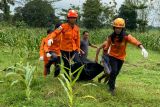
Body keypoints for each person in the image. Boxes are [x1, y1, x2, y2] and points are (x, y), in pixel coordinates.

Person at [95, 18, 148, 96]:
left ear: (122, 28)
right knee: (113, 71)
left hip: (121, 58)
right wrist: (103, 59)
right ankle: (111, 89)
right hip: (112, 57)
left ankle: (110, 83)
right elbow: (106, 47)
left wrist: (142, 48)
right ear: (114, 28)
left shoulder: (126, 36)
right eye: (116, 28)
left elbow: (134, 41)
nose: (117, 29)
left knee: (116, 73)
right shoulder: (111, 37)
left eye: (119, 28)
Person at [47, 9, 80, 75]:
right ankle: (67, 76)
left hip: (74, 49)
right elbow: (55, 32)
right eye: (71, 18)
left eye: (74, 18)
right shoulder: (63, 26)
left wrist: (78, 49)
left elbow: (78, 40)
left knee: (77, 62)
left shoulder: (77, 28)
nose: (72, 19)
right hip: (64, 49)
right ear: (68, 18)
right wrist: (50, 38)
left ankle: (76, 74)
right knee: (67, 63)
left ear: (76, 19)